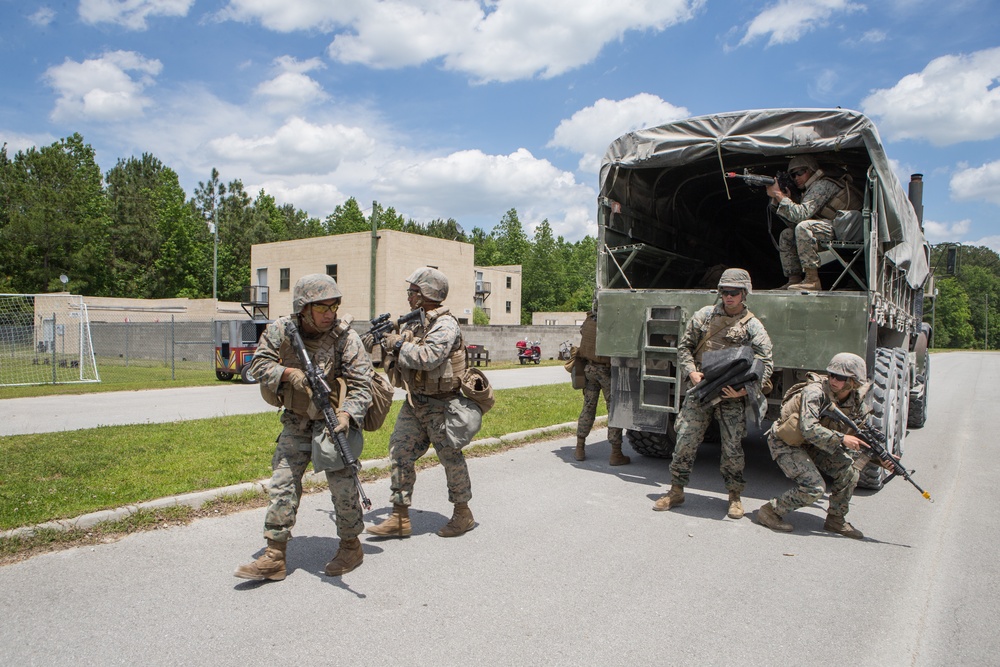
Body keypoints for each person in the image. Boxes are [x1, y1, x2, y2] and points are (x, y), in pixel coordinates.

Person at [234, 274, 373, 581]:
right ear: (303, 308)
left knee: (343, 487)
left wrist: (348, 416)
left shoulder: (345, 338)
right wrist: (290, 375)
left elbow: (364, 385)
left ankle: (351, 546)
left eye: (334, 306)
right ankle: (274, 555)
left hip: (333, 423)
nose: (330, 313)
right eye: (322, 307)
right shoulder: (282, 330)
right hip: (296, 421)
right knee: (282, 482)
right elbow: (258, 364)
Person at [652, 269, 773, 519]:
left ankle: (734, 496)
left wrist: (743, 390)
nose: (728, 297)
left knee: (732, 448)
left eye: (734, 292)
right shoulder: (704, 316)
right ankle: (676, 490)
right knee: (685, 440)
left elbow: (766, 363)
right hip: (702, 389)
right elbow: (684, 347)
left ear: (744, 294)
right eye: (724, 292)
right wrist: (691, 373)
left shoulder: (752, 325)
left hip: (730, 395)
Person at [365, 267, 477, 538]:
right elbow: (399, 343)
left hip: (443, 404)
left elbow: (428, 357)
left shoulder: (445, 325)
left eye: (413, 291)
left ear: (427, 294)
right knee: (400, 452)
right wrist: (380, 339)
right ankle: (400, 516)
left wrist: (397, 345)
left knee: (450, 458)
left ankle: (463, 514)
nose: (408, 295)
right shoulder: (415, 322)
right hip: (416, 403)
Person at [756, 352, 882, 538]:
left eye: (840, 377)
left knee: (849, 471)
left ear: (853, 382)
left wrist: (881, 459)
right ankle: (770, 511)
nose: (833, 380)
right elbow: (808, 428)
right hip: (787, 442)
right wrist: (841, 439)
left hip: (816, 443)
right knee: (814, 488)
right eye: (831, 374)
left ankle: (835, 520)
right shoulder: (815, 392)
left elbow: (860, 437)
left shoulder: (855, 402)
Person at [767, 154, 862, 291]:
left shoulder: (822, 185)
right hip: (831, 229)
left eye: (800, 172)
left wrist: (779, 195)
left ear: (812, 170)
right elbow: (794, 225)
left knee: (805, 227)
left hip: (843, 229)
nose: (796, 178)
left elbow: (801, 215)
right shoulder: (808, 191)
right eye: (793, 175)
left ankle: (812, 280)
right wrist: (779, 203)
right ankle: (794, 279)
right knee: (787, 234)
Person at [574, 308, 629, 465]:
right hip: (606, 372)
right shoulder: (612, 324)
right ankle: (616, 453)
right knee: (613, 410)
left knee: (588, 407)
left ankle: (579, 448)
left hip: (589, 370)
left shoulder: (589, 320)